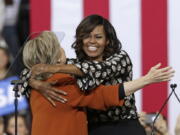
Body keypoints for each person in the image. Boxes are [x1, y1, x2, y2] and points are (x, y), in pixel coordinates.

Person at [21, 15, 174, 135]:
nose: (91, 41)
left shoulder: (120, 58)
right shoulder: (74, 66)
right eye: (87, 36)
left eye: (98, 37)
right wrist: (35, 82)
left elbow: (99, 70)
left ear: (107, 41)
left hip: (123, 128)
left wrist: (147, 79)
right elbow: (27, 73)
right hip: (94, 129)